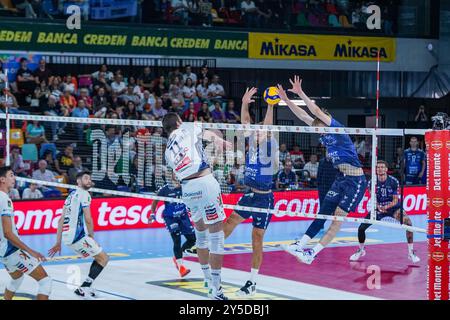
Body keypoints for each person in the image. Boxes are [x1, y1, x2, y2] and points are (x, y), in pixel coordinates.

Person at [277, 75, 367, 264]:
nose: (316, 131)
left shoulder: (337, 130)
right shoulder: (321, 132)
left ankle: (312, 254)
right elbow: (303, 116)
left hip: (355, 182)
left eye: (318, 127)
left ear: (324, 122)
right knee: (323, 213)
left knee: (336, 220)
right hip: (340, 178)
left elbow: (315, 110)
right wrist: (286, 100)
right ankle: (300, 245)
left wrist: (300, 93)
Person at [162, 112, 230, 300]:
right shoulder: (186, 128)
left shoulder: (167, 151)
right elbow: (207, 133)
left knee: (201, 236)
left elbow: (176, 174)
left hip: (188, 190)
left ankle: (208, 280)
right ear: (178, 122)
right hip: (204, 183)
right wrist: (219, 141)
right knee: (217, 237)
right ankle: (217, 289)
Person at [223, 87, 278, 296]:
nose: (257, 133)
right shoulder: (252, 144)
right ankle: (212, 251)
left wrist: (271, 106)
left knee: (256, 237)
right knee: (230, 221)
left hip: (264, 198)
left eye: (260, 132)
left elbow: (267, 126)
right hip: (249, 194)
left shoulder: (268, 145)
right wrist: (245, 102)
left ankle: (252, 281)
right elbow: (246, 122)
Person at [49, 172, 110, 298]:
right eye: (86, 178)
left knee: (98, 258)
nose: (89, 181)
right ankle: (84, 287)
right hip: (78, 236)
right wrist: (92, 237)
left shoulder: (70, 195)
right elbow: (88, 218)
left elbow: (61, 220)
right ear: (78, 181)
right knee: (104, 258)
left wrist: (58, 242)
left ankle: (87, 286)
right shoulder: (84, 194)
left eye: (90, 179)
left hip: (68, 238)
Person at [349, 160, 420, 263]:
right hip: (378, 208)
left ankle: (411, 253)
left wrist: (386, 206)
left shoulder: (393, 181)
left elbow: (395, 199)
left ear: (386, 169)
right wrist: (378, 206)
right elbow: (372, 197)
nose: (380, 169)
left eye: (382, 167)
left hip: (393, 208)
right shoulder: (372, 182)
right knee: (361, 228)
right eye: (378, 167)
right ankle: (361, 250)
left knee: (408, 224)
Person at [0, 166, 52, 300]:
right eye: (11, 175)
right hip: (11, 249)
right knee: (45, 282)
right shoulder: (4, 199)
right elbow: (7, 233)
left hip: (3, 251)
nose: (14, 178)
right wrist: (31, 251)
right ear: (2, 179)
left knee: (16, 278)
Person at [148, 174, 196, 278]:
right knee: (177, 239)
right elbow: (155, 201)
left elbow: (192, 200)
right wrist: (152, 214)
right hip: (170, 218)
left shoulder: (186, 187)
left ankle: (178, 255)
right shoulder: (165, 189)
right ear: (173, 177)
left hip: (183, 216)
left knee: (192, 239)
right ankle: (181, 267)